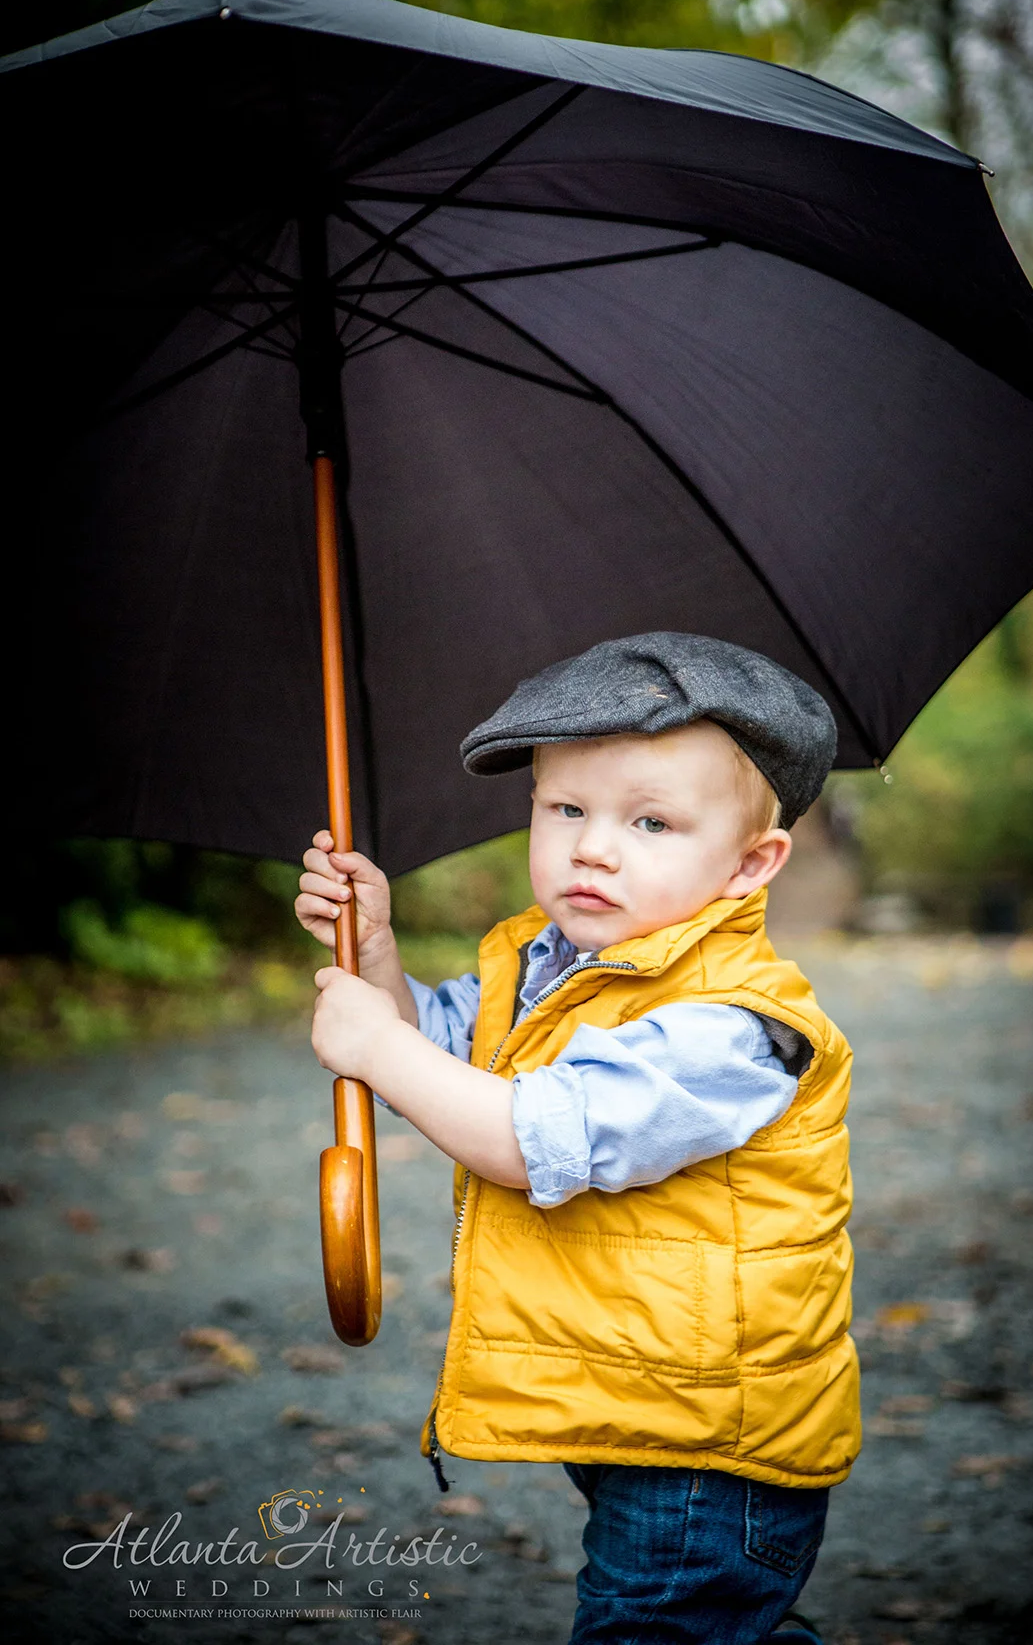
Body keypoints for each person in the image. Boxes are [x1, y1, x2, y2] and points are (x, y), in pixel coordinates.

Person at [297, 632, 858, 1645]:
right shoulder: (550, 964)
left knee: (656, 1628)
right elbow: (447, 1055)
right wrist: (375, 957)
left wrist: (377, 1051)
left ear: (750, 864)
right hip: (639, 1401)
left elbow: (529, 1136)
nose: (593, 846)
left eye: (651, 821)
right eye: (566, 810)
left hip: (706, 1444)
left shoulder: (728, 1025)